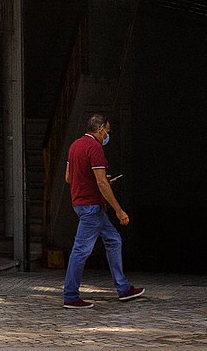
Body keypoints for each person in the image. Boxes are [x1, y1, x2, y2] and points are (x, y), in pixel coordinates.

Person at [60, 112, 144, 307]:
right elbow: (101, 182)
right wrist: (119, 210)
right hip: (92, 206)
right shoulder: (95, 148)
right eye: (107, 131)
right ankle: (71, 296)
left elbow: (68, 177)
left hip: (80, 204)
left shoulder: (75, 145)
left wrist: (98, 182)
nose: (107, 135)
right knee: (80, 251)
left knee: (114, 240)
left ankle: (124, 288)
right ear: (99, 129)